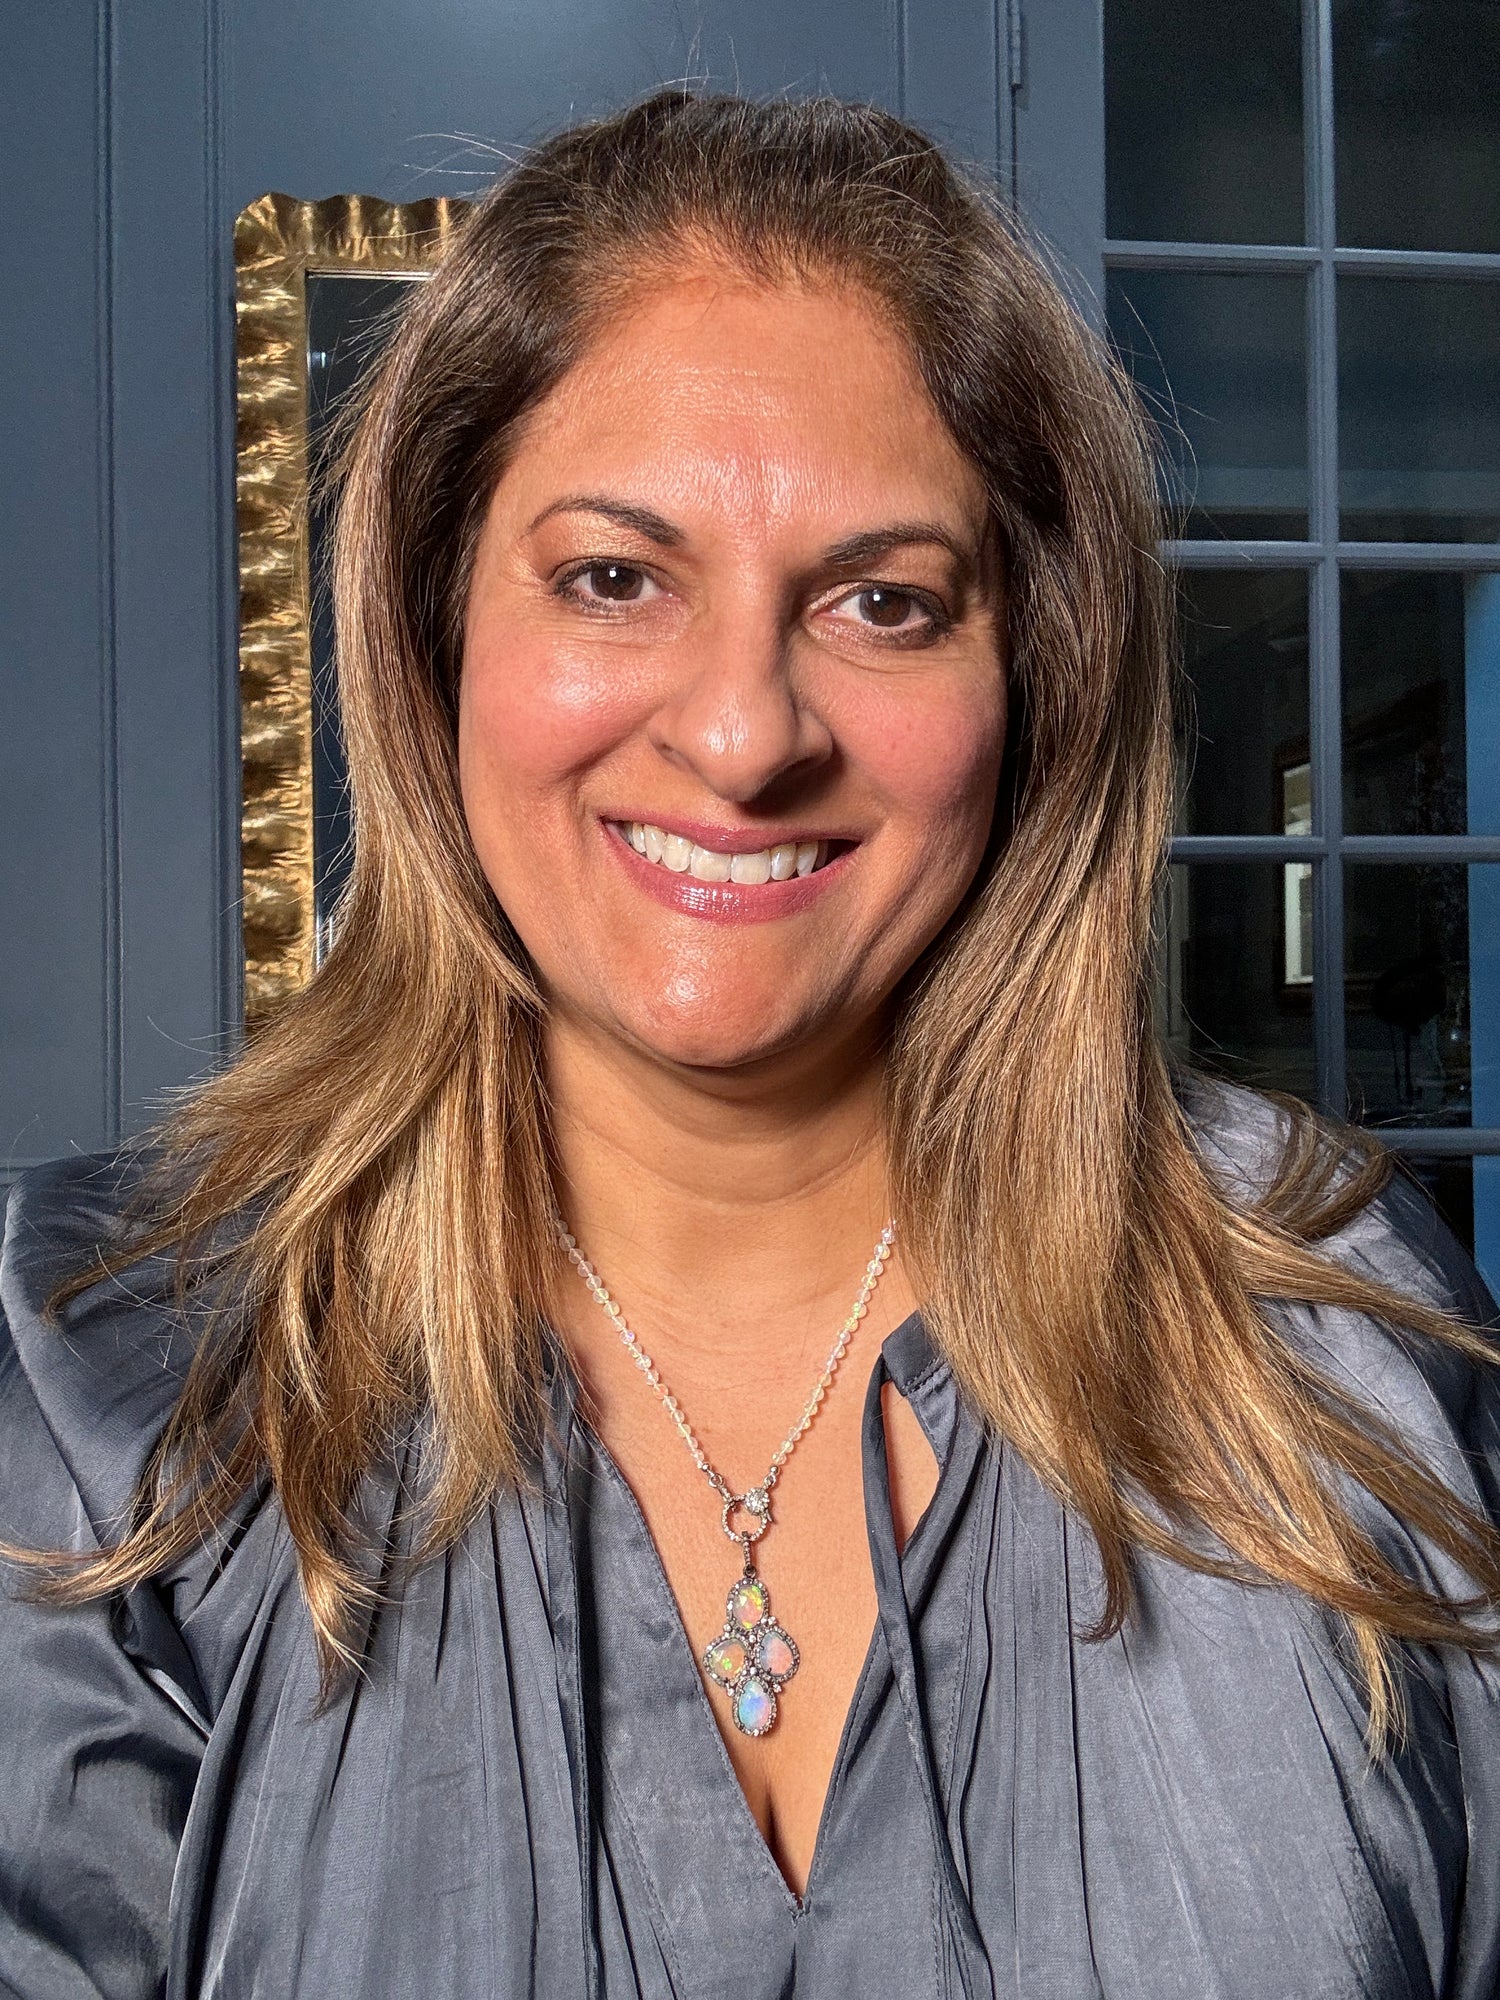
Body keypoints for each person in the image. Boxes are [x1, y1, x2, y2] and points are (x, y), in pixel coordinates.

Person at [3, 88, 1499, 2000]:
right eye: (614, 577)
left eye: (884, 603)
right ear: (434, 624)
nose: (741, 734)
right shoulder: (104, 1385)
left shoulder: (1325, 1340)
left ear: (1033, 681)